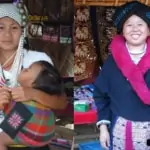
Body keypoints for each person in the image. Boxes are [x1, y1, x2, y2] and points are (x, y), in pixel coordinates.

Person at [0, 2, 68, 150]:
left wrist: (33, 94)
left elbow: (62, 102)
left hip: (32, 140)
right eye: (1, 27)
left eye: (14, 27)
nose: (7, 34)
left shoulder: (37, 61)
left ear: (22, 31)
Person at [94, 1, 150, 150]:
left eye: (140, 24)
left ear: (149, 30)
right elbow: (101, 96)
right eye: (129, 25)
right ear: (122, 31)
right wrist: (104, 128)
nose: (135, 29)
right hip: (120, 132)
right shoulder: (112, 64)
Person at [0, 60, 64, 150]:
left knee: (0, 140)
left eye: (27, 69)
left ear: (32, 84)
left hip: (31, 139)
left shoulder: (23, 105)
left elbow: (10, 127)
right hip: (46, 138)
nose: (24, 68)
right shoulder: (45, 101)